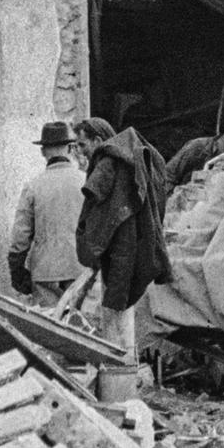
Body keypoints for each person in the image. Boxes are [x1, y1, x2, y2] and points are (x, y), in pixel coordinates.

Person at [77, 122, 171, 361]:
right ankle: (125, 375)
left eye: (82, 144)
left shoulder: (109, 164)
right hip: (133, 252)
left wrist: (91, 244)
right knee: (124, 315)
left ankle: (116, 378)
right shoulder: (130, 163)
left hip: (119, 255)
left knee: (112, 316)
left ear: (98, 140)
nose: (80, 151)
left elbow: (95, 203)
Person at [6, 119, 86, 299]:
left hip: (45, 271)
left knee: (48, 322)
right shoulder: (86, 181)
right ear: (70, 149)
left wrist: (16, 270)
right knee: (81, 324)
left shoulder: (33, 186)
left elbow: (20, 236)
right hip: (81, 269)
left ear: (43, 151)